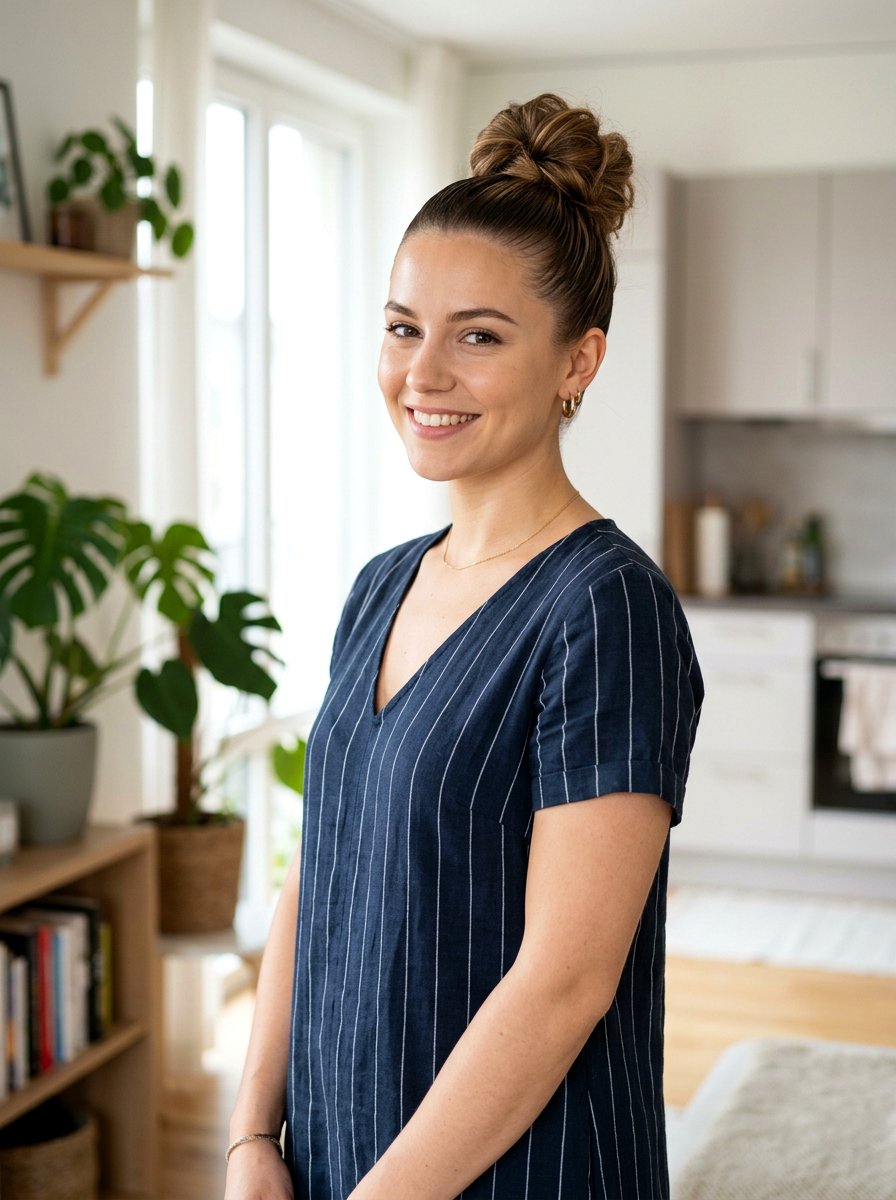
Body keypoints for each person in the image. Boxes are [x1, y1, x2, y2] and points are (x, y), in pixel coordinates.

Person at [224, 92, 704, 1200]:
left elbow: (564, 983)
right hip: (340, 1149)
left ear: (576, 362)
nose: (421, 374)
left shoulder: (604, 608)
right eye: (402, 327)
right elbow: (317, 869)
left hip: (516, 1173)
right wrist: (254, 1132)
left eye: (476, 336)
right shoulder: (377, 587)